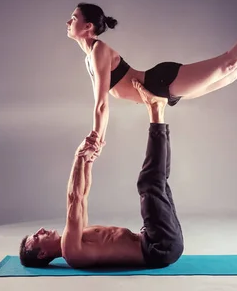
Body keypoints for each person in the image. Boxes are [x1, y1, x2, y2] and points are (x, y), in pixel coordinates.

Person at [67, 3, 237, 158]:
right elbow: (102, 102)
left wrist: (95, 137)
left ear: (89, 27)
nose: (69, 22)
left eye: (74, 18)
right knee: (232, 73)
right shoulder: (89, 57)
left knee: (228, 62)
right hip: (161, 93)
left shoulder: (99, 50)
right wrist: (97, 139)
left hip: (160, 81)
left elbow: (101, 103)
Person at [19, 79, 184, 269]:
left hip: (159, 241)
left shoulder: (76, 236)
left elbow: (83, 194)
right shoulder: (71, 250)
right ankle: (156, 110)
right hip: (158, 248)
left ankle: (158, 110)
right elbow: (75, 198)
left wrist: (88, 161)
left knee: (159, 182)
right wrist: (78, 156)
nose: (40, 230)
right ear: (42, 253)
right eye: (37, 237)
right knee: (148, 184)